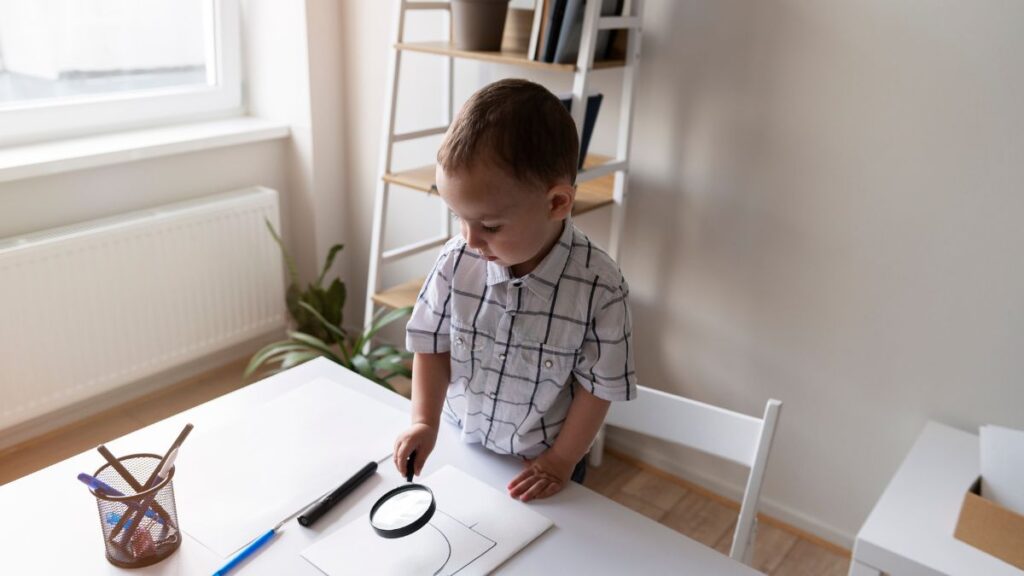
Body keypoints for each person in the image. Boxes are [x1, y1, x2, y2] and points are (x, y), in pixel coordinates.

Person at [394, 78, 636, 502]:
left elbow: (598, 388)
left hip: (541, 464)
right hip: (459, 446)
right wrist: (424, 421)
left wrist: (561, 461)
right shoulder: (457, 261)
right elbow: (430, 344)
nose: (470, 239)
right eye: (458, 218)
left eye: (489, 226)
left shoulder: (600, 288)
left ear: (557, 203)